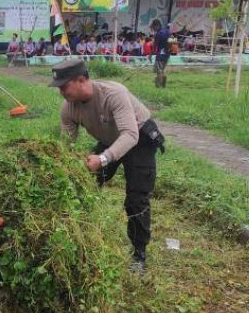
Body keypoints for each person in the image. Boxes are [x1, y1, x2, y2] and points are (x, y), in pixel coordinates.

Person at [49, 58, 164, 272]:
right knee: (82, 182)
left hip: (139, 137)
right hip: (111, 139)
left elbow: (130, 135)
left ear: (81, 80)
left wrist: (102, 159)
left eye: (64, 86)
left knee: (136, 200)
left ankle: (139, 254)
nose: (61, 92)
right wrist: (68, 161)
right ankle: (83, 234)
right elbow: (66, 145)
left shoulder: (113, 94)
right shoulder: (68, 109)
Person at [152, 19, 170, 88]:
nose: (153, 28)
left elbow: (155, 46)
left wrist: (151, 55)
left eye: (153, 27)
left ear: (157, 26)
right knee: (163, 70)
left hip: (160, 55)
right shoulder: (168, 31)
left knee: (159, 71)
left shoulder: (158, 34)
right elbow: (173, 41)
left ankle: (159, 86)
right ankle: (163, 86)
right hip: (167, 54)